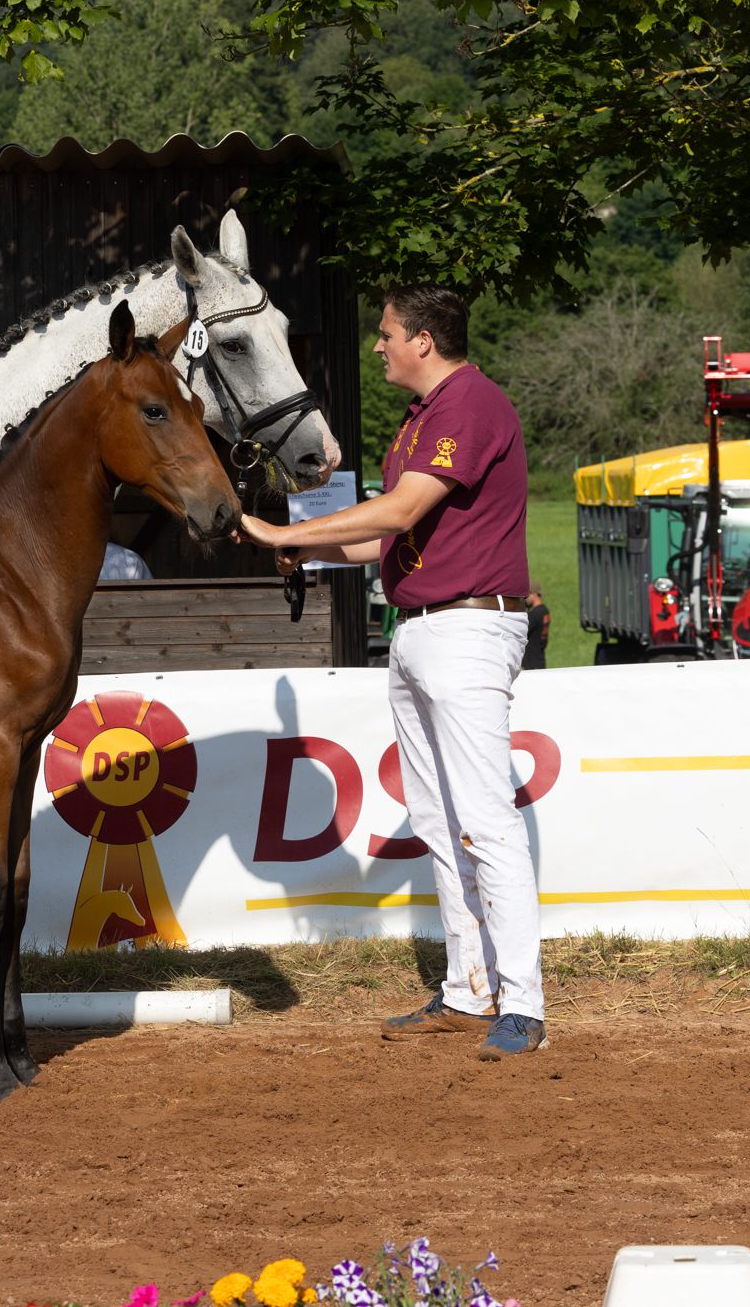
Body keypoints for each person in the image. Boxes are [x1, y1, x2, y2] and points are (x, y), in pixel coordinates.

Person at [237, 282, 544, 1059]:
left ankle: (525, 1003)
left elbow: (398, 513)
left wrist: (283, 525)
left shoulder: (468, 405)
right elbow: (387, 543)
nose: (378, 345)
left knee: (481, 817)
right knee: (442, 821)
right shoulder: (421, 420)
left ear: (424, 342)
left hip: (469, 626)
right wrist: (299, 547)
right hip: (423, 627)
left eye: (386, 334)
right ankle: (471, 990)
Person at [522, 586, 550, 670]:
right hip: (539, 659)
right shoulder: (545, 611)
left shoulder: (534, 615)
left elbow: (521, 631)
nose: (525, 599)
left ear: (533, 594)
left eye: (526, 596)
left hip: (531, 663)